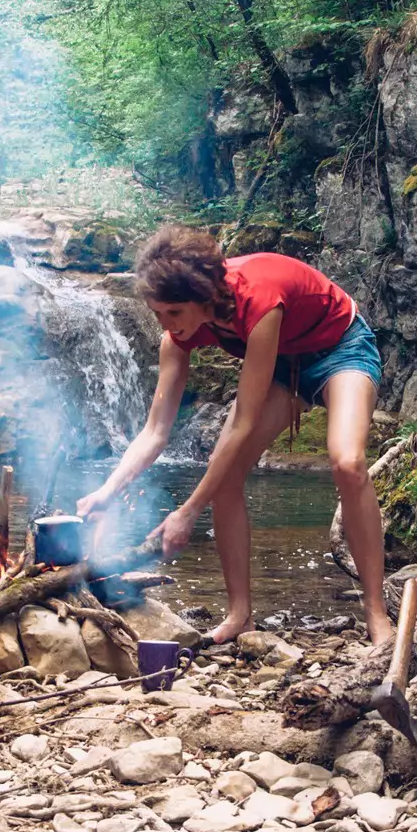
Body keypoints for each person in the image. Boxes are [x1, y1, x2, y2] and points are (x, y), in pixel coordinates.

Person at [76, 225, 393, 646]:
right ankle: (240, 614)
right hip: (283, 365)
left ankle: (376, 612)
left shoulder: (259, 300)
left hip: (340, 348)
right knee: (225, 478)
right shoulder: (178, 337)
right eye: (157, 314)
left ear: (204, 296)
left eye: (173, 313)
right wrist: (108, 490)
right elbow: (155, 431)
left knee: (348, 462)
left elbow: (242, 424)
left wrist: (187, 512)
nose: (166, 325)